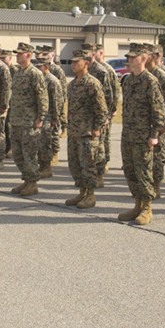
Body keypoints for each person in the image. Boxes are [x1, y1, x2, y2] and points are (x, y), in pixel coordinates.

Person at [118, 43, 165, 225]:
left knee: (144, 172)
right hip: (128, 134)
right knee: (130, 171)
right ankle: (137, 204)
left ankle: (147, 207)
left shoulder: (150, 81)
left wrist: (154, 135)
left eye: (133, 57)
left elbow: (159, 112)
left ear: (143, 59)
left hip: (144, 137)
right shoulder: (128, 80)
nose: (129, 60)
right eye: (128, 57)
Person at [64, 49, 108, 209]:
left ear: (86, 63)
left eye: (77, 62)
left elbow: (102, 110)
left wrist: (97, 128)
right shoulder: (72, 84)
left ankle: (90, 195)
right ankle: (82, 192)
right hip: (74, 131)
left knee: (88, 165)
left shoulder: (92, 83)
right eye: (72, 62)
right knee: (75, 164)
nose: (73, 64)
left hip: (87, 133)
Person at [9, 42, 48, 197]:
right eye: (17, 53)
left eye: (20, 53)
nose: (17, 56)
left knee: (29, 154)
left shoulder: (35, 74)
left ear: (29, 55)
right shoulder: (18, 73)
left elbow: (42, 97)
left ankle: (32, 184)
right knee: (18, 154)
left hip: (29, 121)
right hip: (17, 120)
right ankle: (26, 180)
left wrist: (41, 117)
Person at [146, 44, 165, 199]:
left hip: (159, 123)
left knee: (158, 155)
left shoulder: (161, 75)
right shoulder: (144, 74)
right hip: (145, 123)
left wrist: (164, 123)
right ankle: (148, 184)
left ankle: (156, 185)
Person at [83, 43, 114, 187]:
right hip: (85, 118)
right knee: (89, 149)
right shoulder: (83, 70)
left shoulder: (101, 72)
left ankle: (100, 173)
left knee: (100, 145)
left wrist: (105, 117)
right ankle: (90, 174)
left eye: (87, 53)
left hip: (99, 117)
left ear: (93, 54)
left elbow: (108, 95)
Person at [92, 42, 120, 175]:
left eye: (94, 52)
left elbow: (114, 91)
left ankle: (105, 161)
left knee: (105, 138)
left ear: (101, 53)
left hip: (105, 111)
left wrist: (111, 110)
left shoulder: (107, 70)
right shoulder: (91, 68)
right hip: (94, 111)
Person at [35, 55, 63, 179]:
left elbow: (57, 101)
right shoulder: (39, 78)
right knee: (39, 143)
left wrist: (56, 118)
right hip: (40, 116)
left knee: (45, 143)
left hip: (49, 117)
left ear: (46, 67)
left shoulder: (52, 80)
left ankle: (46, 168)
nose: (37, 68)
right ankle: (41, 166)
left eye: (39, 66)